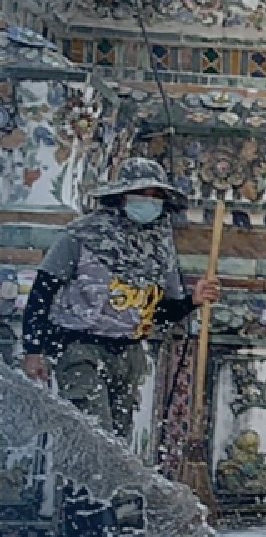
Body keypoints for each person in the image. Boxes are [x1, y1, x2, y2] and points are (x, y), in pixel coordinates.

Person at [20, 158, 220, 440]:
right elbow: (42, 293)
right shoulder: (81, 236)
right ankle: (78, 485)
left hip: (129, 355)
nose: (149, 202)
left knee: (118, 440)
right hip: (81, 347)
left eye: (155, 196)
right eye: (141, 194)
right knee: (91, 436)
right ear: (121, 196)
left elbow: (160, 312)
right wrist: (33, 350)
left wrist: (192, 302)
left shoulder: (160, 247)